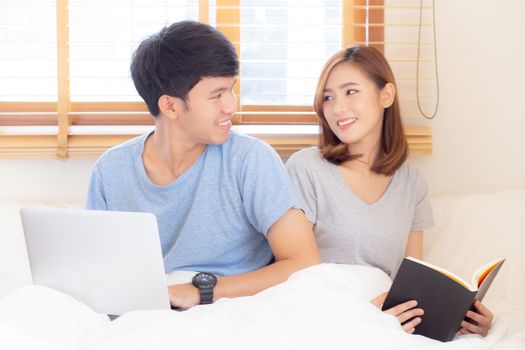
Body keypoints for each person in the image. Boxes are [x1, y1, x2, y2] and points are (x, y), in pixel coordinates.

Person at [86, 21, 320, 310]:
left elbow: (303, 262)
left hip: (233, 310)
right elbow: (97, 271)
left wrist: (200, 291)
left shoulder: (250, 160)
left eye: (232, 90)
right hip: (147, 312)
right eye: (216, 95)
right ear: (170, 106)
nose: (231, 106)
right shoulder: (111, 170)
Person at [285, 46, 493, 336]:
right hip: (322, 313)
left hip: (386, 317)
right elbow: (295, 274)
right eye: (328, 97)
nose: (337, 107)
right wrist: (358, 313)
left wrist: (463, 317)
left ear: (386, 95)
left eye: (350, 91)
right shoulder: (306, 168)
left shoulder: (412, 183)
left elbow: (412, 278)